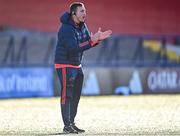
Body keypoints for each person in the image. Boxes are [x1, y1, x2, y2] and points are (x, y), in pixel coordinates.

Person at [54, 2, 112, 134]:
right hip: (64, 64)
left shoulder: (82, 25)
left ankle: (71, 123)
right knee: (66, 96)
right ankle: (66, 125)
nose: (85, 13)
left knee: (76, 96)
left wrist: (97, 40)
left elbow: (87, 42)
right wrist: (92, 41)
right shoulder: (66, 28)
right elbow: (73, 47)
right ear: (74, 13)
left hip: (76, 64)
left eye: (85, 11)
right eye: (82, 11)